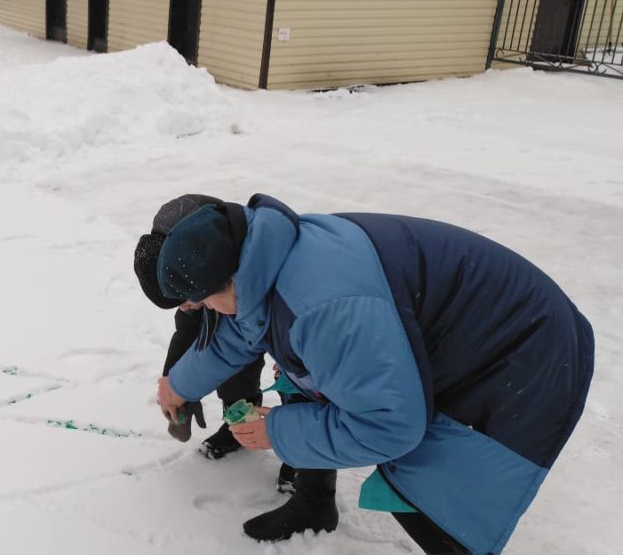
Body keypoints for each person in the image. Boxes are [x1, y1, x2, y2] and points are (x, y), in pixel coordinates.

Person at [152, 194, 594, 554]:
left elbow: (389, 427)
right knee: (328, 391)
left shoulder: (323, 308)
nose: (207, 311)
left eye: (206, 301)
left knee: (435, 495)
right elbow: (241, 333)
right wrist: (178, 385)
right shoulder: (264, 258)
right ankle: (313, 507)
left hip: (520, 349)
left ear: (230, 279)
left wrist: (279, 431)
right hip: (466, 333)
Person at [134, 195, 339, 539]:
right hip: (234, 295)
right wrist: (177, 383)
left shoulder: (215, 256)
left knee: (300, 384)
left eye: (187, 299)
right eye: (181, 303)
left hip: (284, 312)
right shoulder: (183, 271)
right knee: (230, 370)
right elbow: (189, 333)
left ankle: (312, 484)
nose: (188, 307)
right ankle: (237, 424)